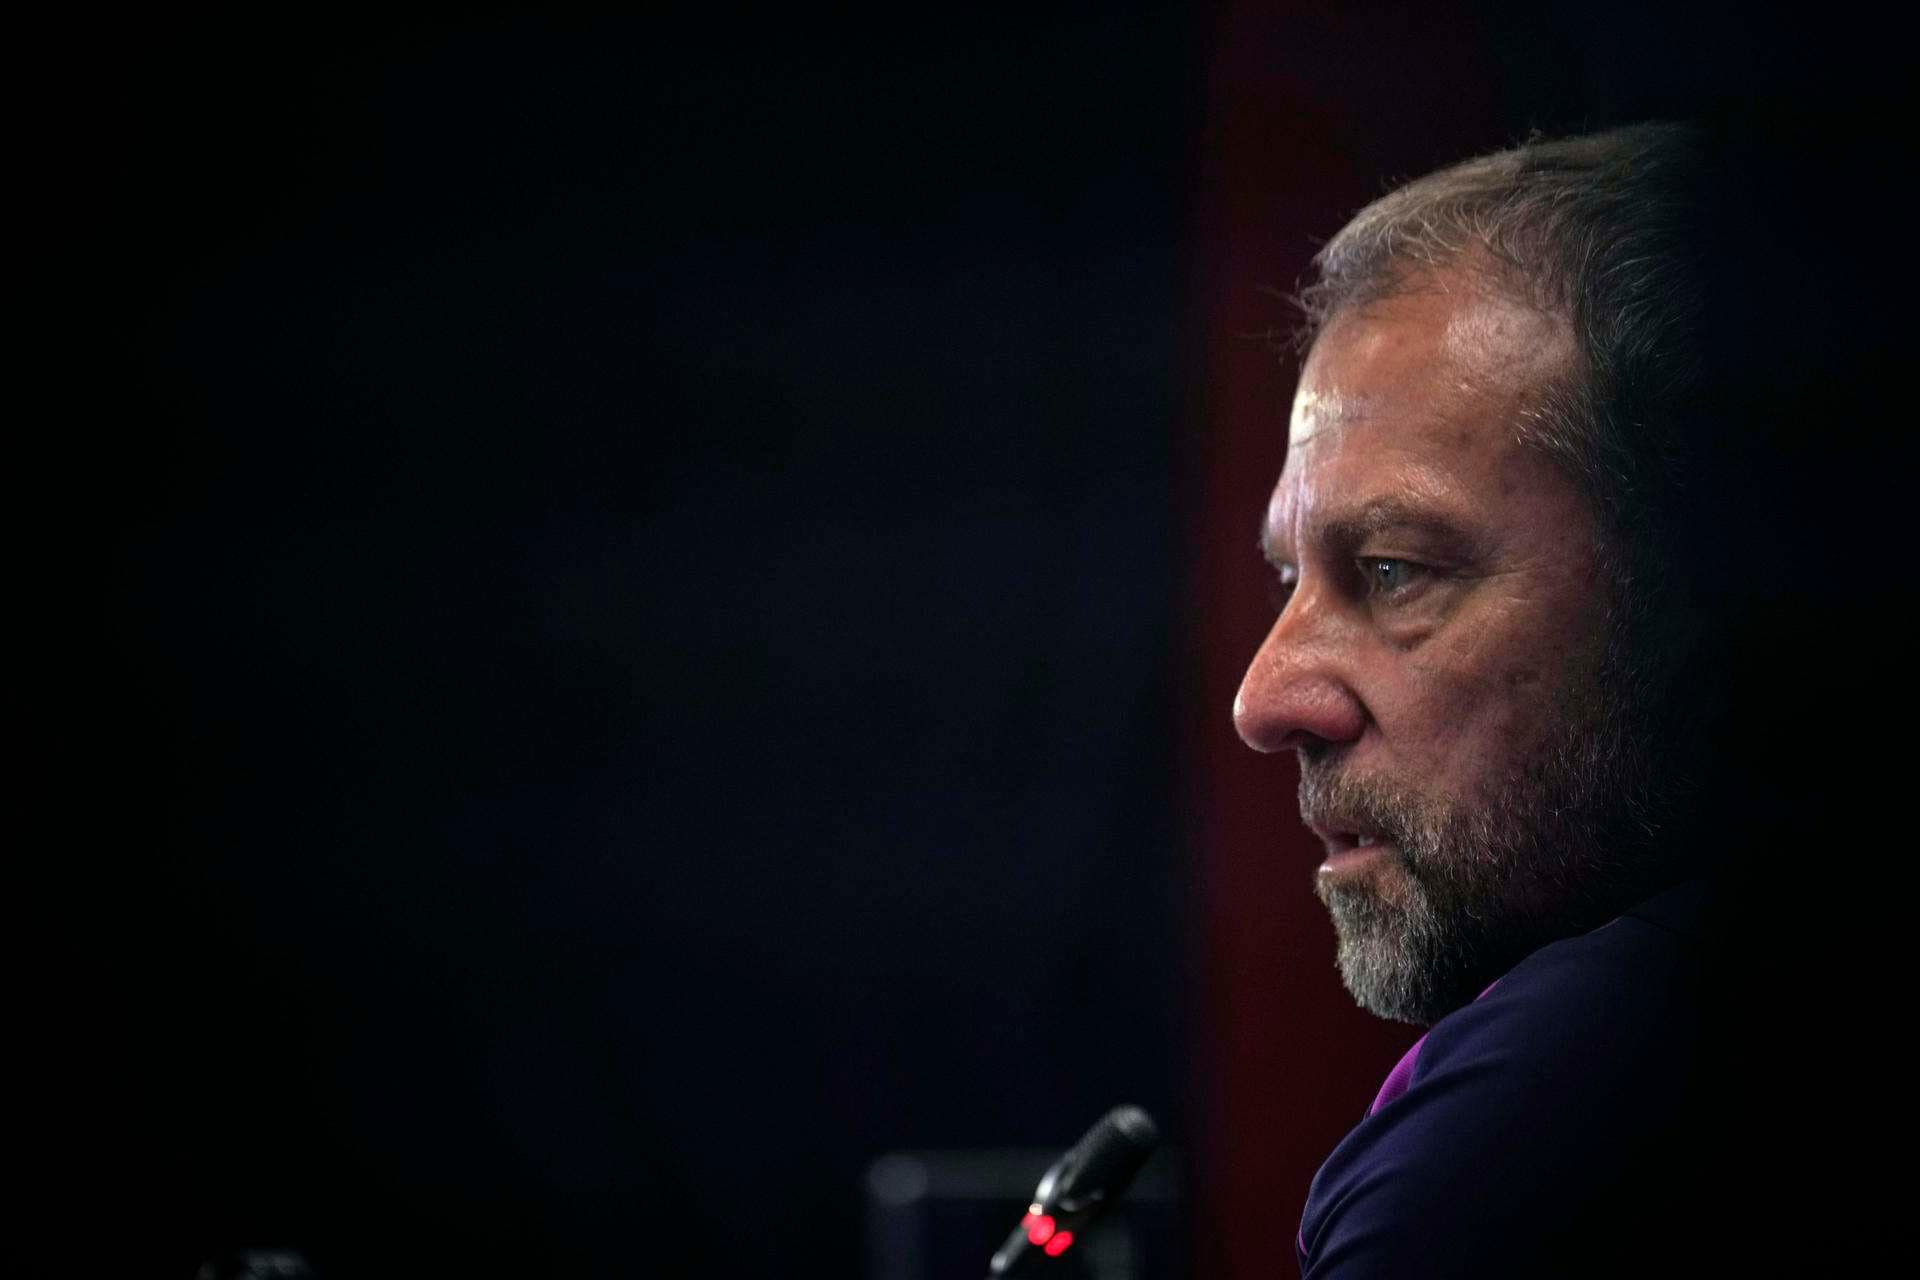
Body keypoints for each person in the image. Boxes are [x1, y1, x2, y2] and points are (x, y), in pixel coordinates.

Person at [1228, 121, 1885, 1276]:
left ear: (1706, 591)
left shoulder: (1530, 1135)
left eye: (1391, 568)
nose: (1267, 696)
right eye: (1290, 578)